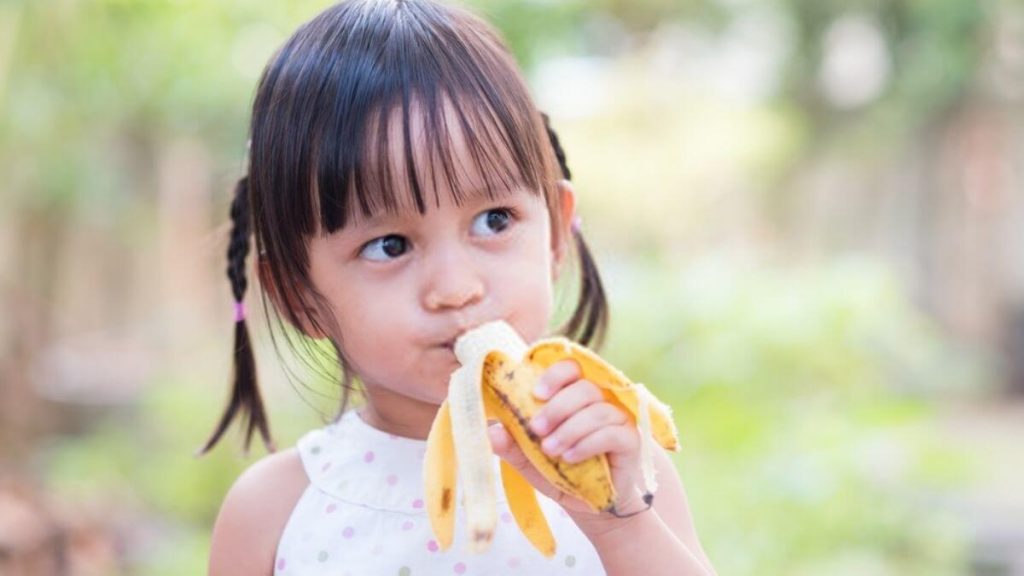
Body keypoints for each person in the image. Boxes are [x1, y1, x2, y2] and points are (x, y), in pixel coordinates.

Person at [204, 1, 715, 574]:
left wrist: (619, 527)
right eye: (390, 245)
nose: (456, 288)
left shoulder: (623, 473)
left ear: (555, 233)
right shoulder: (272, 513)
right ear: (300, 295)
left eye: (494, 220)